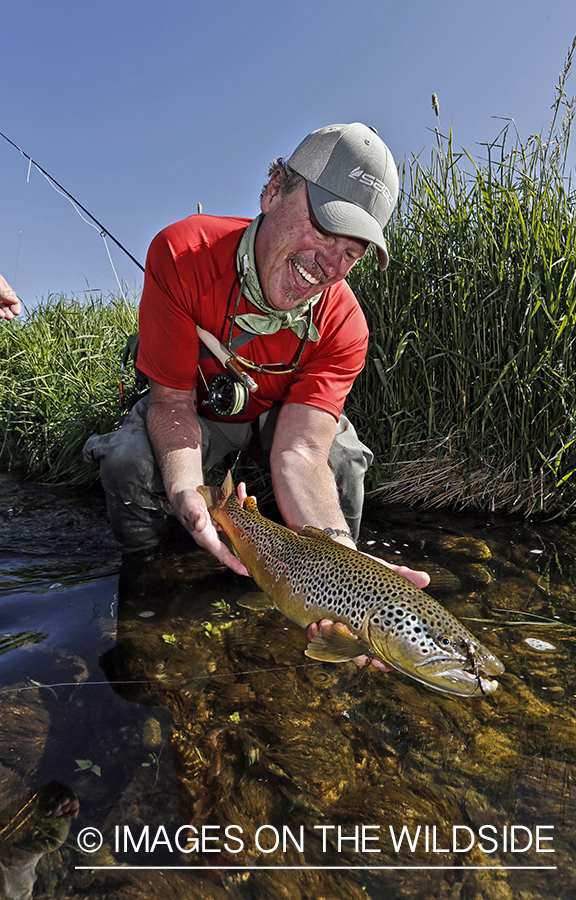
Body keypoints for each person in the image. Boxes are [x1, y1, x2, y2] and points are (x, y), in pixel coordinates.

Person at [83, 123, 429, 667]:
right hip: (195, 409)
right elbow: (170, 404)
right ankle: (151, 590)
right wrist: (187, 495)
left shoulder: (346, 324)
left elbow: (302, 450)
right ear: (273, 191)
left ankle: (317, 607)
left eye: (353, 252)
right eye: (325, 229)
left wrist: (346, 565)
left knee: (344, 465)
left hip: (285, 421)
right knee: (129, 464)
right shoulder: (182, 254)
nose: (331, 267)